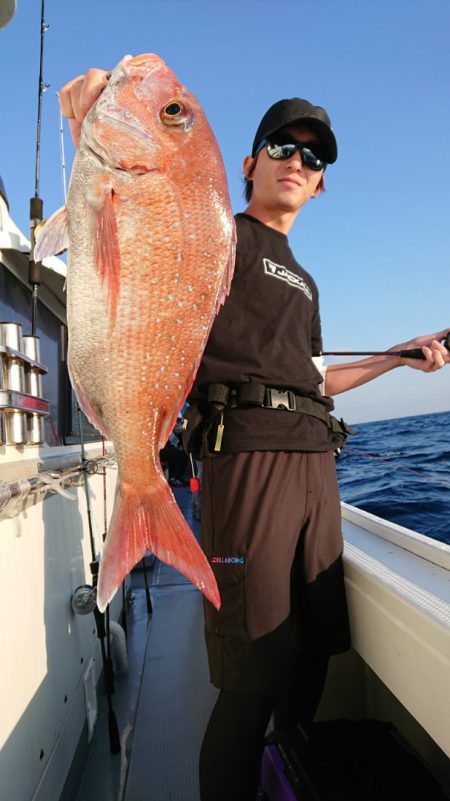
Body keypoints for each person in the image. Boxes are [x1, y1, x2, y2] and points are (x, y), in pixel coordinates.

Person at [59, 71, 450, 801]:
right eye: (283, 145)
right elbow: (133, 234)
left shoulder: (305, 279)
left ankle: (285, 772)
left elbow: (315, 376)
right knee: (253, 675)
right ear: (248, 163)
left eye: (314, 157)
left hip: (315, 468)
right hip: (248, 462)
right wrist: (88, 129)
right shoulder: (215, 234)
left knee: (311, 657)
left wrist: (400, 353)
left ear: (322, 184)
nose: (298, 162)